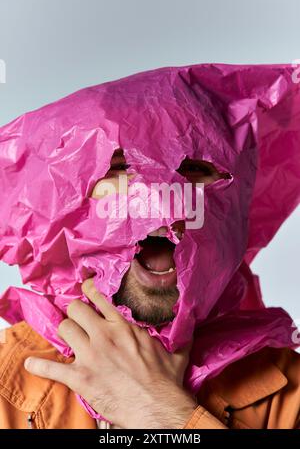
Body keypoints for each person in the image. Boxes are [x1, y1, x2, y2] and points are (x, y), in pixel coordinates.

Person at [0, 149, 299, 429]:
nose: (159, 199)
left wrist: (160, 410)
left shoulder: (292, 396)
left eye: (193, 169)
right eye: (119, 169)